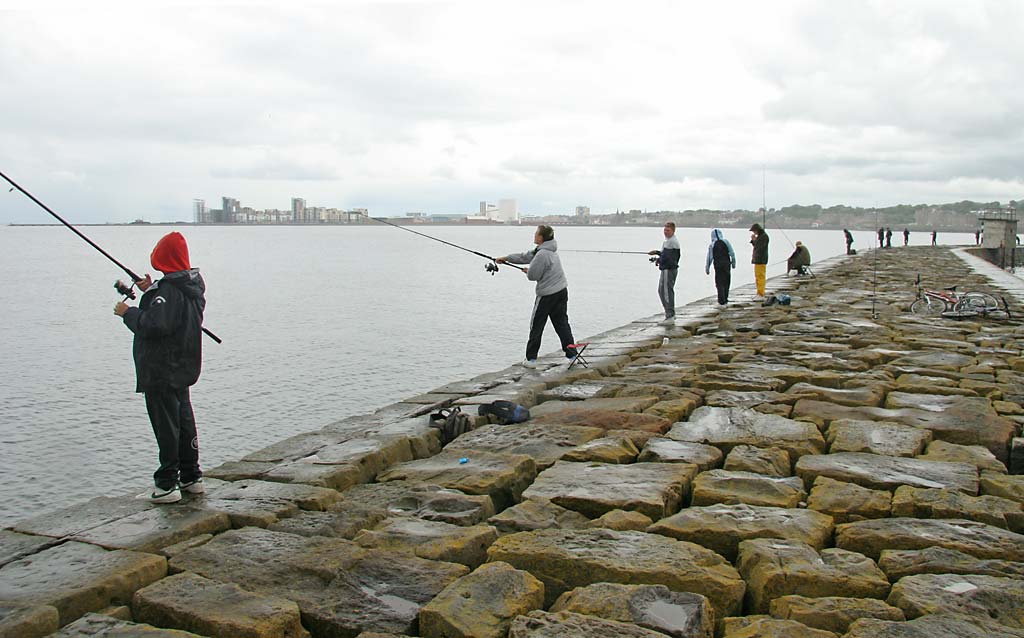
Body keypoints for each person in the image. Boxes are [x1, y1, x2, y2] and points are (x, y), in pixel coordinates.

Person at [113, 232, 207, 504]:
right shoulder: (192, 285)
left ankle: (167, 484)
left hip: (161, 370)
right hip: (183, 366)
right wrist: (152, 290)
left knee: (166, 425)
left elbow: (156, 325)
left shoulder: (168, 291)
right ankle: (191, 477)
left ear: (162, 257)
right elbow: (169, 307)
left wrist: (127, 312)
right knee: (184, 421)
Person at [497, 225, 578, 368]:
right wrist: (505, 258)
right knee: (562, 323)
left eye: (536, 233)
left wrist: (528, 271)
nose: (534, 235)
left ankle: (531, 360)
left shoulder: (542, 254)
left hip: (547, 295)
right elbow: (525, 257)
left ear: (541, 237)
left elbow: (533, 275)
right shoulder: (548, 249)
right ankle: (572, 355)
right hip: (561, 291)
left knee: (536, 325)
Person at [648, 222, 681, 322]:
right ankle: (668, 313)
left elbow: (668, 258)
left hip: (669, 270)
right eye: (664, 230)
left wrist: (659, 260)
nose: (665, 232)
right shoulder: (668, 241)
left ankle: (670, 315)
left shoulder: (671, 242)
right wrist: (657, 253)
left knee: (666, 292)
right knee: (661, 290)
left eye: (668, 230)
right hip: (666, 269)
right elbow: (665, 255)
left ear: (673, 230)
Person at [705, 228, 735, 305]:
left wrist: (707, 268)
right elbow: (732, 253)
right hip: (726, 264)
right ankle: (725, 297)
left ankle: (721, 300)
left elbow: (709, 257)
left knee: (719, 282)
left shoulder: (712, 244)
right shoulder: (726, 242)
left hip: (718, 265)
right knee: (727, 281)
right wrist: (733, 263)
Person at [749, 223, 769, 298]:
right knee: (758, 277)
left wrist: (754, 240)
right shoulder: (761, 236)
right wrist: (754, 241)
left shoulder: (764, 237)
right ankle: (759, 292)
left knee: (760, 277)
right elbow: (757, 246)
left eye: (754, 231)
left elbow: (759, 247)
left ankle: (761, 293)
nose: (754, 233)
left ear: (757, 230)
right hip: (758, 260)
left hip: (761, 260)